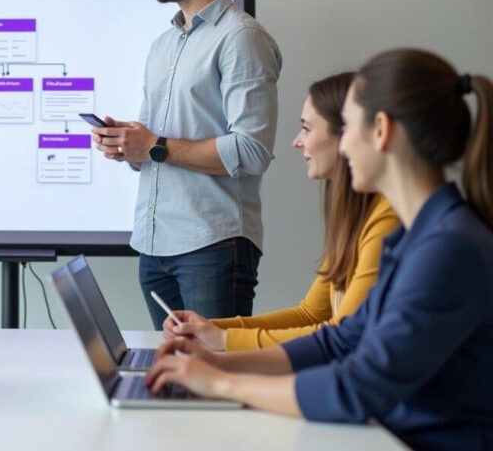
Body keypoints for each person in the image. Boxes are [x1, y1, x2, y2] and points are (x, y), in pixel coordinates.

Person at [144, 49, 493, 451]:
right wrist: (217, 361)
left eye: (349, 127)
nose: (344, 147)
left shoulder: (448, 249)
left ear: (381, 130)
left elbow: (357, 387)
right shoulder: (418, 238)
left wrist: (222, 383)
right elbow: (340, 341)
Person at [90, 0, 282, 328]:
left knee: (211, 368)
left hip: (212, 248)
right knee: (173, 367)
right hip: (154, 248)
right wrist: (128, 145)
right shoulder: (163, 45)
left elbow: (252, 151)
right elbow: (154, 147)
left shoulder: (242, 38)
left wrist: (154, 146)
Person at [163, 73, 399, 350]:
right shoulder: (357, 215)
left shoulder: (387, 219)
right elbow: (310, 314)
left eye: (307, 129)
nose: (297, 141)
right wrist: (213, 328)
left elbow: (342, 336)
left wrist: (224, 339)